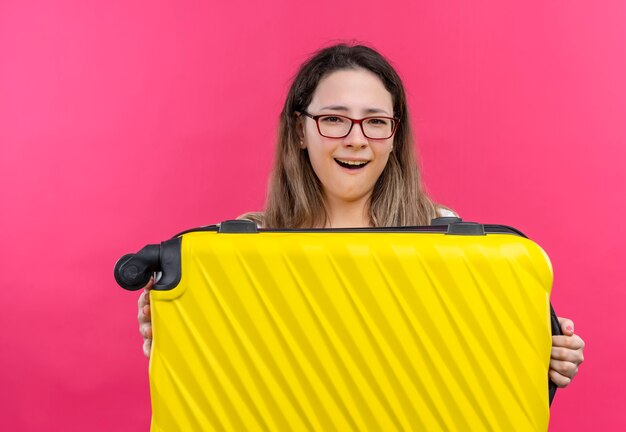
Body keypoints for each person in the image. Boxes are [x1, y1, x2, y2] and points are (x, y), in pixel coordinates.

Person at [137, 43, 584, 388]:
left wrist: (540, 355)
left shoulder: (446, 238)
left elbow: (468, 365)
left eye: (375, 121)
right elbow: (225, 379)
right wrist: (176, 335)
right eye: (334, 119)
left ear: (394, 136)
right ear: (300, 131)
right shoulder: (241, 245)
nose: (356, 139)